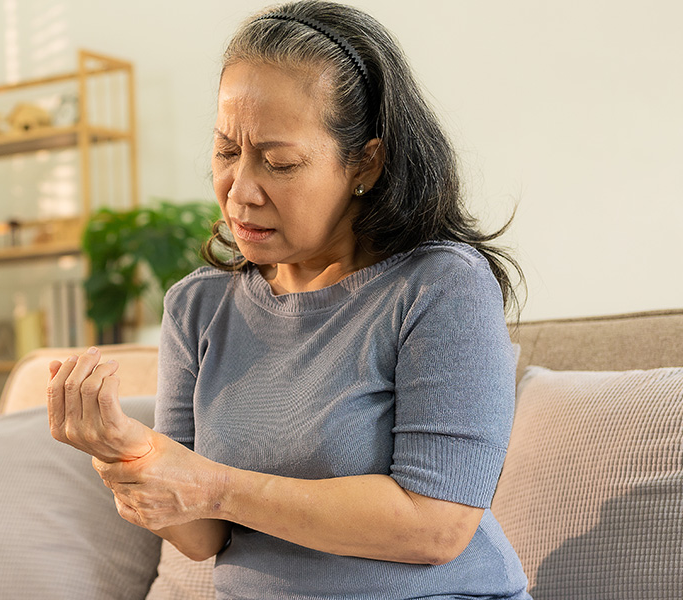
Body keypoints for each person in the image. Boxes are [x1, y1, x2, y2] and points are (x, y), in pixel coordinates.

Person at [47, 1, 532, 598]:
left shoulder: (439, 285)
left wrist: (215, 485)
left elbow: (436, 526)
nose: (240, 191)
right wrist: (125, 449)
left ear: (366, 163)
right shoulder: (197, 307)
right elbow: (204, 538)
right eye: (227, 151)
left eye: (279, 163)